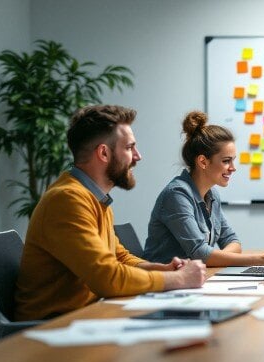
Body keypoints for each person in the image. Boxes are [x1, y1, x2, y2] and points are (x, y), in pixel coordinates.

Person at [14, 105, 207, 321]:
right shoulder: (67, 199)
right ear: (104, 153)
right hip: (52, 328)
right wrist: (180, 279)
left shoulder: (94, 197)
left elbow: (118, 257)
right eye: (130, 148)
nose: (138, 156)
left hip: (89, 316)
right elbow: (107, 277)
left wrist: (163, 270)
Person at [143, 111, 264, 266]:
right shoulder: (177, 195)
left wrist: (213, 258)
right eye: (226, 161)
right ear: (203, 162)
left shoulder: (212, 195)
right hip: (165, 284)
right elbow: (200, 253)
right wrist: (261, 260)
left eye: (233, 161)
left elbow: (232, 241)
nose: (233, 168)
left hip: (193, 279)